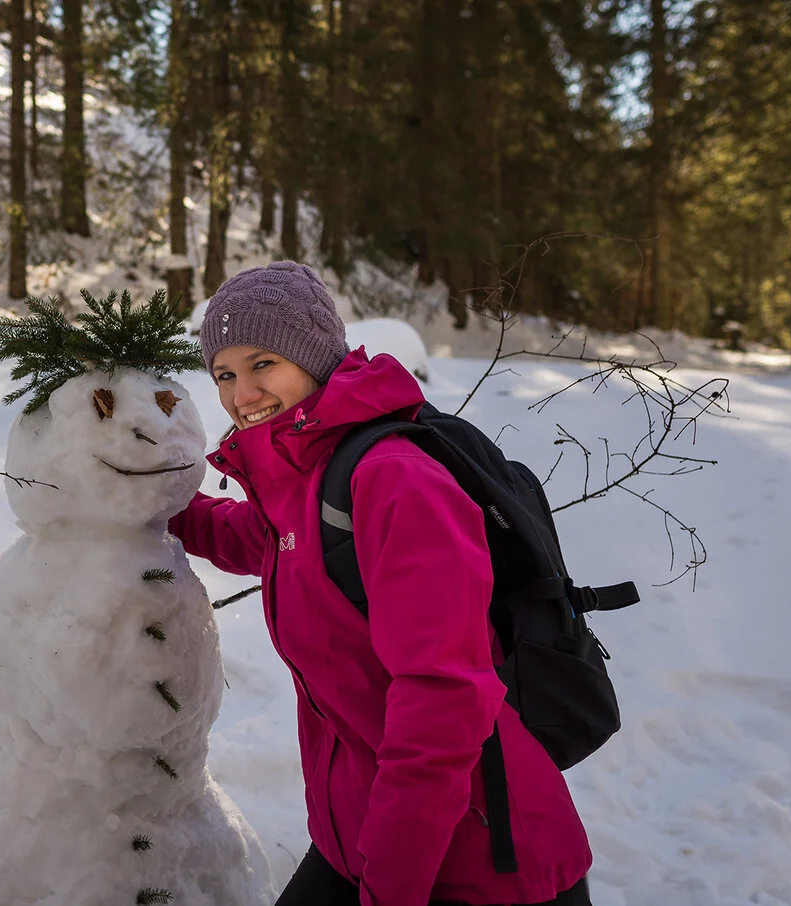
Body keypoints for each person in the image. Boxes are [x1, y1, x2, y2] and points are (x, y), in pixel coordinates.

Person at [168, 261, 593, 906]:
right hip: (362, 837)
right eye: (224, 374)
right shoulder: (309, 476)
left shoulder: (394, 479)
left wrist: (392, 885)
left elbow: (443, 700)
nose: (242, 395)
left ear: (314, 357)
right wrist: (146, 493)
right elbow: (252, 537)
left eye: (263, 364)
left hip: (474, 861)